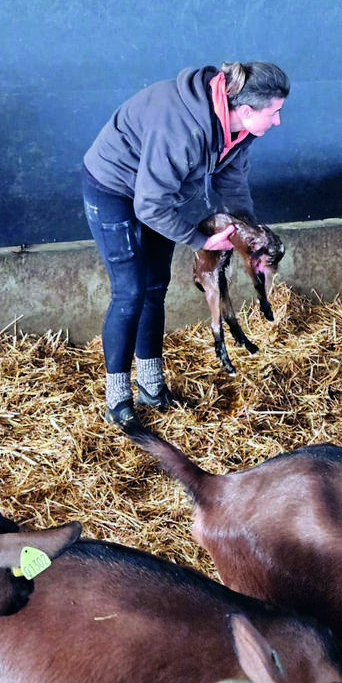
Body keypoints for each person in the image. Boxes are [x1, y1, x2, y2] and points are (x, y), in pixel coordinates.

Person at [82, 60, 290, 429]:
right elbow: (149, 205)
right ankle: (117, 400)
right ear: (246, 110)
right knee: (130, 292)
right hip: (114, 188)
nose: (277, 121)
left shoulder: (240, 128)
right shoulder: (183, 128)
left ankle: (151, 385)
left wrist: (246, 234)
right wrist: (200, 239)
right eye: (273, 112)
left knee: (155, 288)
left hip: (162, 192)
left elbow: (231, 181)